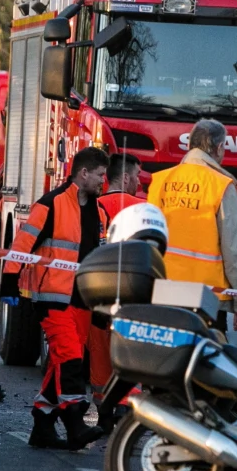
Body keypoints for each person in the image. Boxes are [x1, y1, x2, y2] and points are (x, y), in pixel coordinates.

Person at [0, 146, 110, 450]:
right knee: (72, 358)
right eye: (100, 175)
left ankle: (43, 424)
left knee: (60, 362)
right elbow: (22, 244)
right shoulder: (51, 204)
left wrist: (101, 303)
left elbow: (99, 259)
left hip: (83, 301)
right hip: (53, 298)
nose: (104, 181)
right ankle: (75, 426)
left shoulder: (100, 212)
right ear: (84, 173)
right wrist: (9, 281)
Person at [148, 119, 237, 333]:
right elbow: (234, 251)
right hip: (206, 298)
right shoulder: (221, 184)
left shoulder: (160, 181)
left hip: (163, 291)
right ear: (220, 147)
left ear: (189, 145)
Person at [89, 153, 145, 426]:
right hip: (132, 293)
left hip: (98, 291)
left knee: (99, 353)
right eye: (137, 176)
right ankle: (125, 405)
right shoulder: (143, 208)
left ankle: (103, 409)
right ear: (125, 177)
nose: (139, 182)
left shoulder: (91, 205)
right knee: (129, 350)